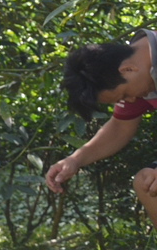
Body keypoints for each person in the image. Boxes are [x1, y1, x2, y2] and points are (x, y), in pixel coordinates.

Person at [47, 31, 157, 232]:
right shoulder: (143, 70)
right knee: (147, 183)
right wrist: (75, 159)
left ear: (128, 69)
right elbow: (121, 126)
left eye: (124, 95)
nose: (131, 101)